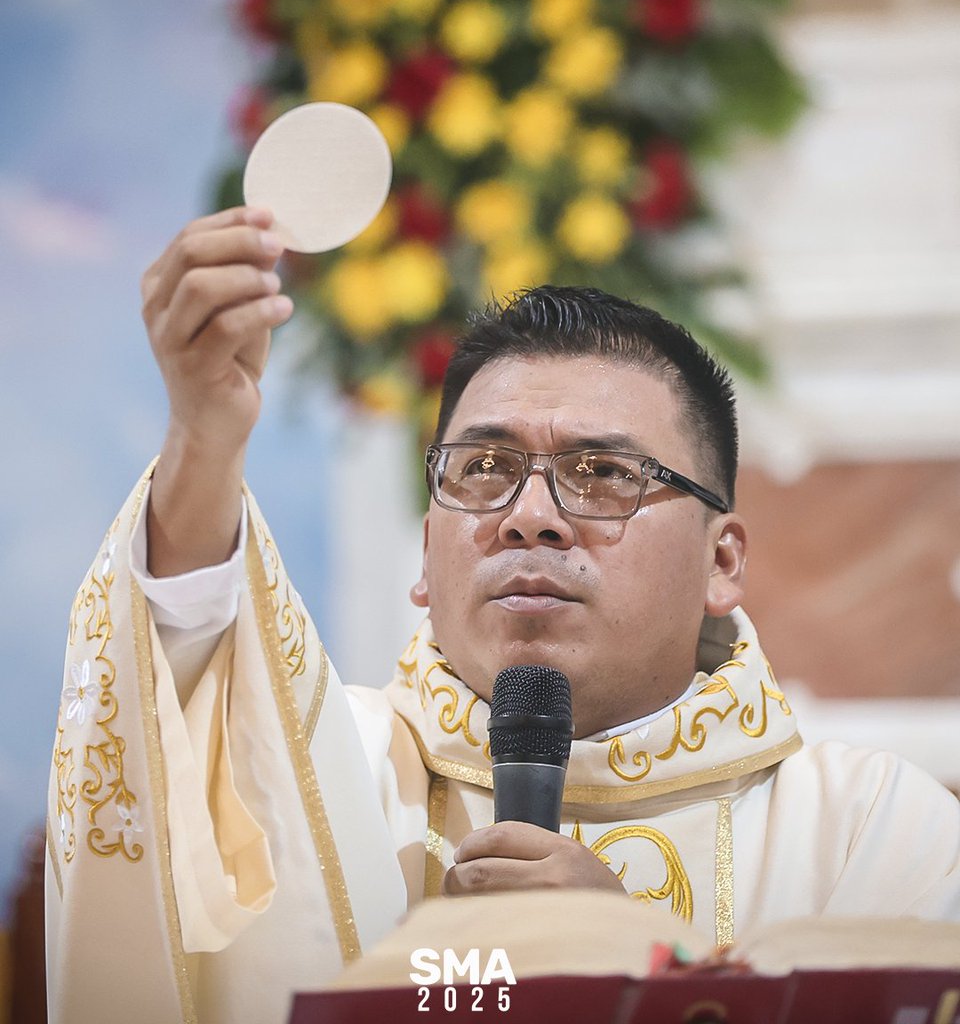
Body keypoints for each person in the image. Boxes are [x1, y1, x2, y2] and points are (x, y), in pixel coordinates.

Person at [46, 207, 960, 1024]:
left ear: (722, 563)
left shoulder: (875, 830)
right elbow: (177, 704)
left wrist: (641, 971)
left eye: (603, 473)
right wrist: (205, 440)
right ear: (425, 554)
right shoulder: (333, 776)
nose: (529, 514)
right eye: (482, 470)